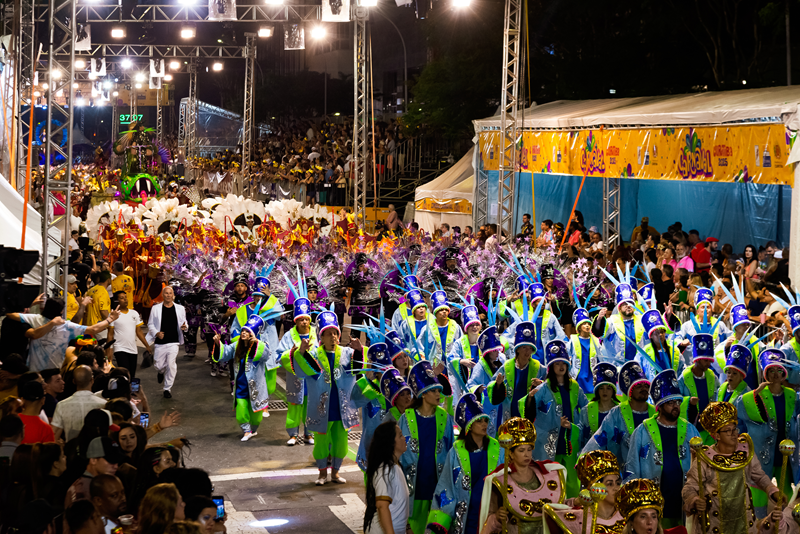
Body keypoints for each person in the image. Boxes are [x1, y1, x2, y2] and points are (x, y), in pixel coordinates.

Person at [285, 307, 361, 485]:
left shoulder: (347, 353)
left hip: (341, 407)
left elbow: (358, 369)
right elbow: (301, 372)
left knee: (341, 442)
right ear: (321, 337)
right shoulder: (314, 356)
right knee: (321, 442)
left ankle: (335, 472)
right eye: (328, 334)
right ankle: (321, 473)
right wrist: (301, 352)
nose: (333, 337)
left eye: (335, 333)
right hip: (322, 409)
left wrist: (358, 350)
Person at [682, 401, 779, 534]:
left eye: (735, 429)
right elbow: (690, 487)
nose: (734, 433)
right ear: (716, 435)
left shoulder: (745, 451)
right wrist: (694, 499)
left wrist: (771, 489)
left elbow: (759, 475)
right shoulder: (704, 458)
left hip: (742, 521)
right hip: (715, 524)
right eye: (728, 430)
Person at [626, 369, 701, 527]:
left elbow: (701, 466)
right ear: (659, 406)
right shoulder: (642, 431)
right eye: (671, 403)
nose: (676, 407)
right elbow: (632, 467)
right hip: (653, 506)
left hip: (684, 504)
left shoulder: (690, 430)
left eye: (678, 402)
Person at [425, 394, 504, 534]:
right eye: (479, 421)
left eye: (485, 420)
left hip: (490, 515)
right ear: (469, 426)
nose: (484, 424)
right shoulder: (456, 451)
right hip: (464, 518)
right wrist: (439, 523)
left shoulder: (497, 449)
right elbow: (446, 487)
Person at [737, 350, 800, 517]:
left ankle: (785, 524)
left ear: (784, 373)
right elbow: (739, 409)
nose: (775, 374)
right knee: (758, 490)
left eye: (779, 370)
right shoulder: (756, 395)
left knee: (785, 490)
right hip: (761, 452)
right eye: (771, 370)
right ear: (765, 373)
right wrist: (756, 392)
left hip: (785, 452)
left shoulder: (792, 396)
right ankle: (759, 524)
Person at [479, 417, 568, 534]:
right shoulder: (500, 480)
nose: (527, 454)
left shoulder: (549, 474)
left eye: (529, 449)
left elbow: (559, 506)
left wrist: (574, 503)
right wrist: (497, 517)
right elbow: (489, 519)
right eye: (521, 450)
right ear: (511, 454)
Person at [523, 340, 587, 497]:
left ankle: (573, 511)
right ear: (551, 367)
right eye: (557, 363)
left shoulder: (574, 387)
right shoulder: (543, 388)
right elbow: (527, 412)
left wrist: (573, 426)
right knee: (550, 477)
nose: (561, 366)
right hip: (549, 441)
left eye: (563, 363)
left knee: (572, 479)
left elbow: (586, 410)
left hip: (570, 439)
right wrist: (530, 398)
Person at [399, 361, 455, 534]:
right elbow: (398, 453)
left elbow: (451, 451)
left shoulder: (444, 418)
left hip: (438, 486)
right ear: (423, 394)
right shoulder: (406, 417)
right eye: (433, 390)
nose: (438, 394)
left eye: (439, 390)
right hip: (413, 487)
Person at [5, 296, 118, 371]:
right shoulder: (66, 326)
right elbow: (93, 329)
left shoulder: (34, 319)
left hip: (34, 371)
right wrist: (110, 319)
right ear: (61, 311)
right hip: (54, 372)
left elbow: (9, 314)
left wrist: (32, 304)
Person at [212, 313, 274, 441]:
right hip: (240, 386)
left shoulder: (261, 345)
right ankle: (246, 430)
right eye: (243, 331)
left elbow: (266, 356)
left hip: (256, 387)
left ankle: (253, 429)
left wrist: (257, 343)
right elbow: (225, 353)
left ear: (253, 334)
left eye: (247, 331)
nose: (244, 333)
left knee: (256, 415)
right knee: (241, 409)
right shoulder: (236, 345)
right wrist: (218, 343)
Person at [540, 450, 625, 534]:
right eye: (609, 484)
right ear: (594, 488)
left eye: (618, 483)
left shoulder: (626, 514)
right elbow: (556, 506)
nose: (616, 488)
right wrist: (576, 501)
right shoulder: (579, 519)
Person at [277, 275, 318, 446]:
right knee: (294, 406)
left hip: (312, 379)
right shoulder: (289, 335)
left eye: (306, 319)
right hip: (296, 379)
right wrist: (297, 352)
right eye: (301, 319)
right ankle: (293, 434)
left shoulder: (317, 334)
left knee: (311, 406)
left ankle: (309, 433)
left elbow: (322, 354)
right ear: (296, 320)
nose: (304, 322)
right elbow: (280, 356)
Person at [488, 314, 546, 426]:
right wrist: (498, 384)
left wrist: (541, 384)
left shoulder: (539, 367)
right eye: (524, 347)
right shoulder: (507, 366)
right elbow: (491, 384)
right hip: (510, 412)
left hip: (530, 414)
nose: (527, 352)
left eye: (530, 348)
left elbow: (550, 387)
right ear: (518, 349)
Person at [363, 420, 410, 534]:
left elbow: (399, 505)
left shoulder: (396, 466)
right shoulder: (385, 470)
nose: (405, 438)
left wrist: (407, 529)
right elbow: (382, 506)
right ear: (391, 442)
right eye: (400, 436)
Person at [146, 286, 188, 399]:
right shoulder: (155, 309)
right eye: (166, 293)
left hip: (174, 341)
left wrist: (185, 327)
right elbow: (150, 324)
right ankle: (160, 372)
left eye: (170, 293)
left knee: (171, 364)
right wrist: (156, 333)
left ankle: (167, 388)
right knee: (159, 365)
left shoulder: (180, 308)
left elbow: (184, 322)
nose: (168, 295)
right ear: (163, 295)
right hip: (160, 342)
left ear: (173, 295)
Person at [52, 365, 107, 441]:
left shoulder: (61, 405)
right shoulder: (104, 404)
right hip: (96, 450)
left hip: (71, 451)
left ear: (74, 381)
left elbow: (54, 435)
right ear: (92, 380)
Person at [65, 436, 126, 506]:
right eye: (111, 461)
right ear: (93, 460)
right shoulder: (81, 490)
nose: (116, 466)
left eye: (117, 461)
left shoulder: (92, 483)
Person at [578, 362, 619, 446]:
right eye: (601, 388)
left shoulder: (620, 410)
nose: (605, 391)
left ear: (613, 391)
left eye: (608, 388)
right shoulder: (586, 410)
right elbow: (580, 435)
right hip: (591, 455)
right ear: (597, 390)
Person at [110, 290, 148, 379]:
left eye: (125, 297)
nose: (125, 300)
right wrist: (109, 352)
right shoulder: (113, 315)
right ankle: (125, 392)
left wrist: (147, 345)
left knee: (132, 375)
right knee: (125, 374)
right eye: (122, 298)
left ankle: (131, 392)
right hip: (119, 348)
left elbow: (138, 331)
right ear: (116, 301)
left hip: (133, 349)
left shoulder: (134, 313)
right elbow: (110, 335)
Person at [419, 289, 462, 365]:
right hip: (433, 366)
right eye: (441, 310)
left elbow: (462, 345)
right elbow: (419, 346)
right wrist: (422, 358)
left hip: (453, 367)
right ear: (435, 313)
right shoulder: (427, 328)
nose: (444, 312)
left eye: (446, 309)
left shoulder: (456, 327)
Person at [31, 442, 67, 506]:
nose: (66, 457)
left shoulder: (36, 482)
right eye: (62, 456)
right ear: (56, 464)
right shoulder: (58, 488)